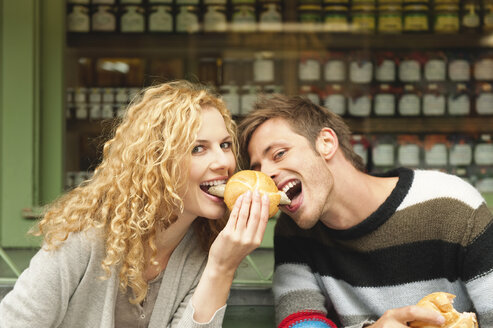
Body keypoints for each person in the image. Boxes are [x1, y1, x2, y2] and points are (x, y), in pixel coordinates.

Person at [0, 80, 270, 328]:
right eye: (198, 148)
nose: (224, 162)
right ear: (156, 162)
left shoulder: (207, 248)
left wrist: (221, 268)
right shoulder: (84, 237)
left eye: (225, 145)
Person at [238, 94, 493, 328]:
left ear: (326, 143)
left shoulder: (451, 203)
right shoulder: (293, 230)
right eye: (257, 167)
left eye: (279, 154)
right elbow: (300, 321)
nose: (265, 176)